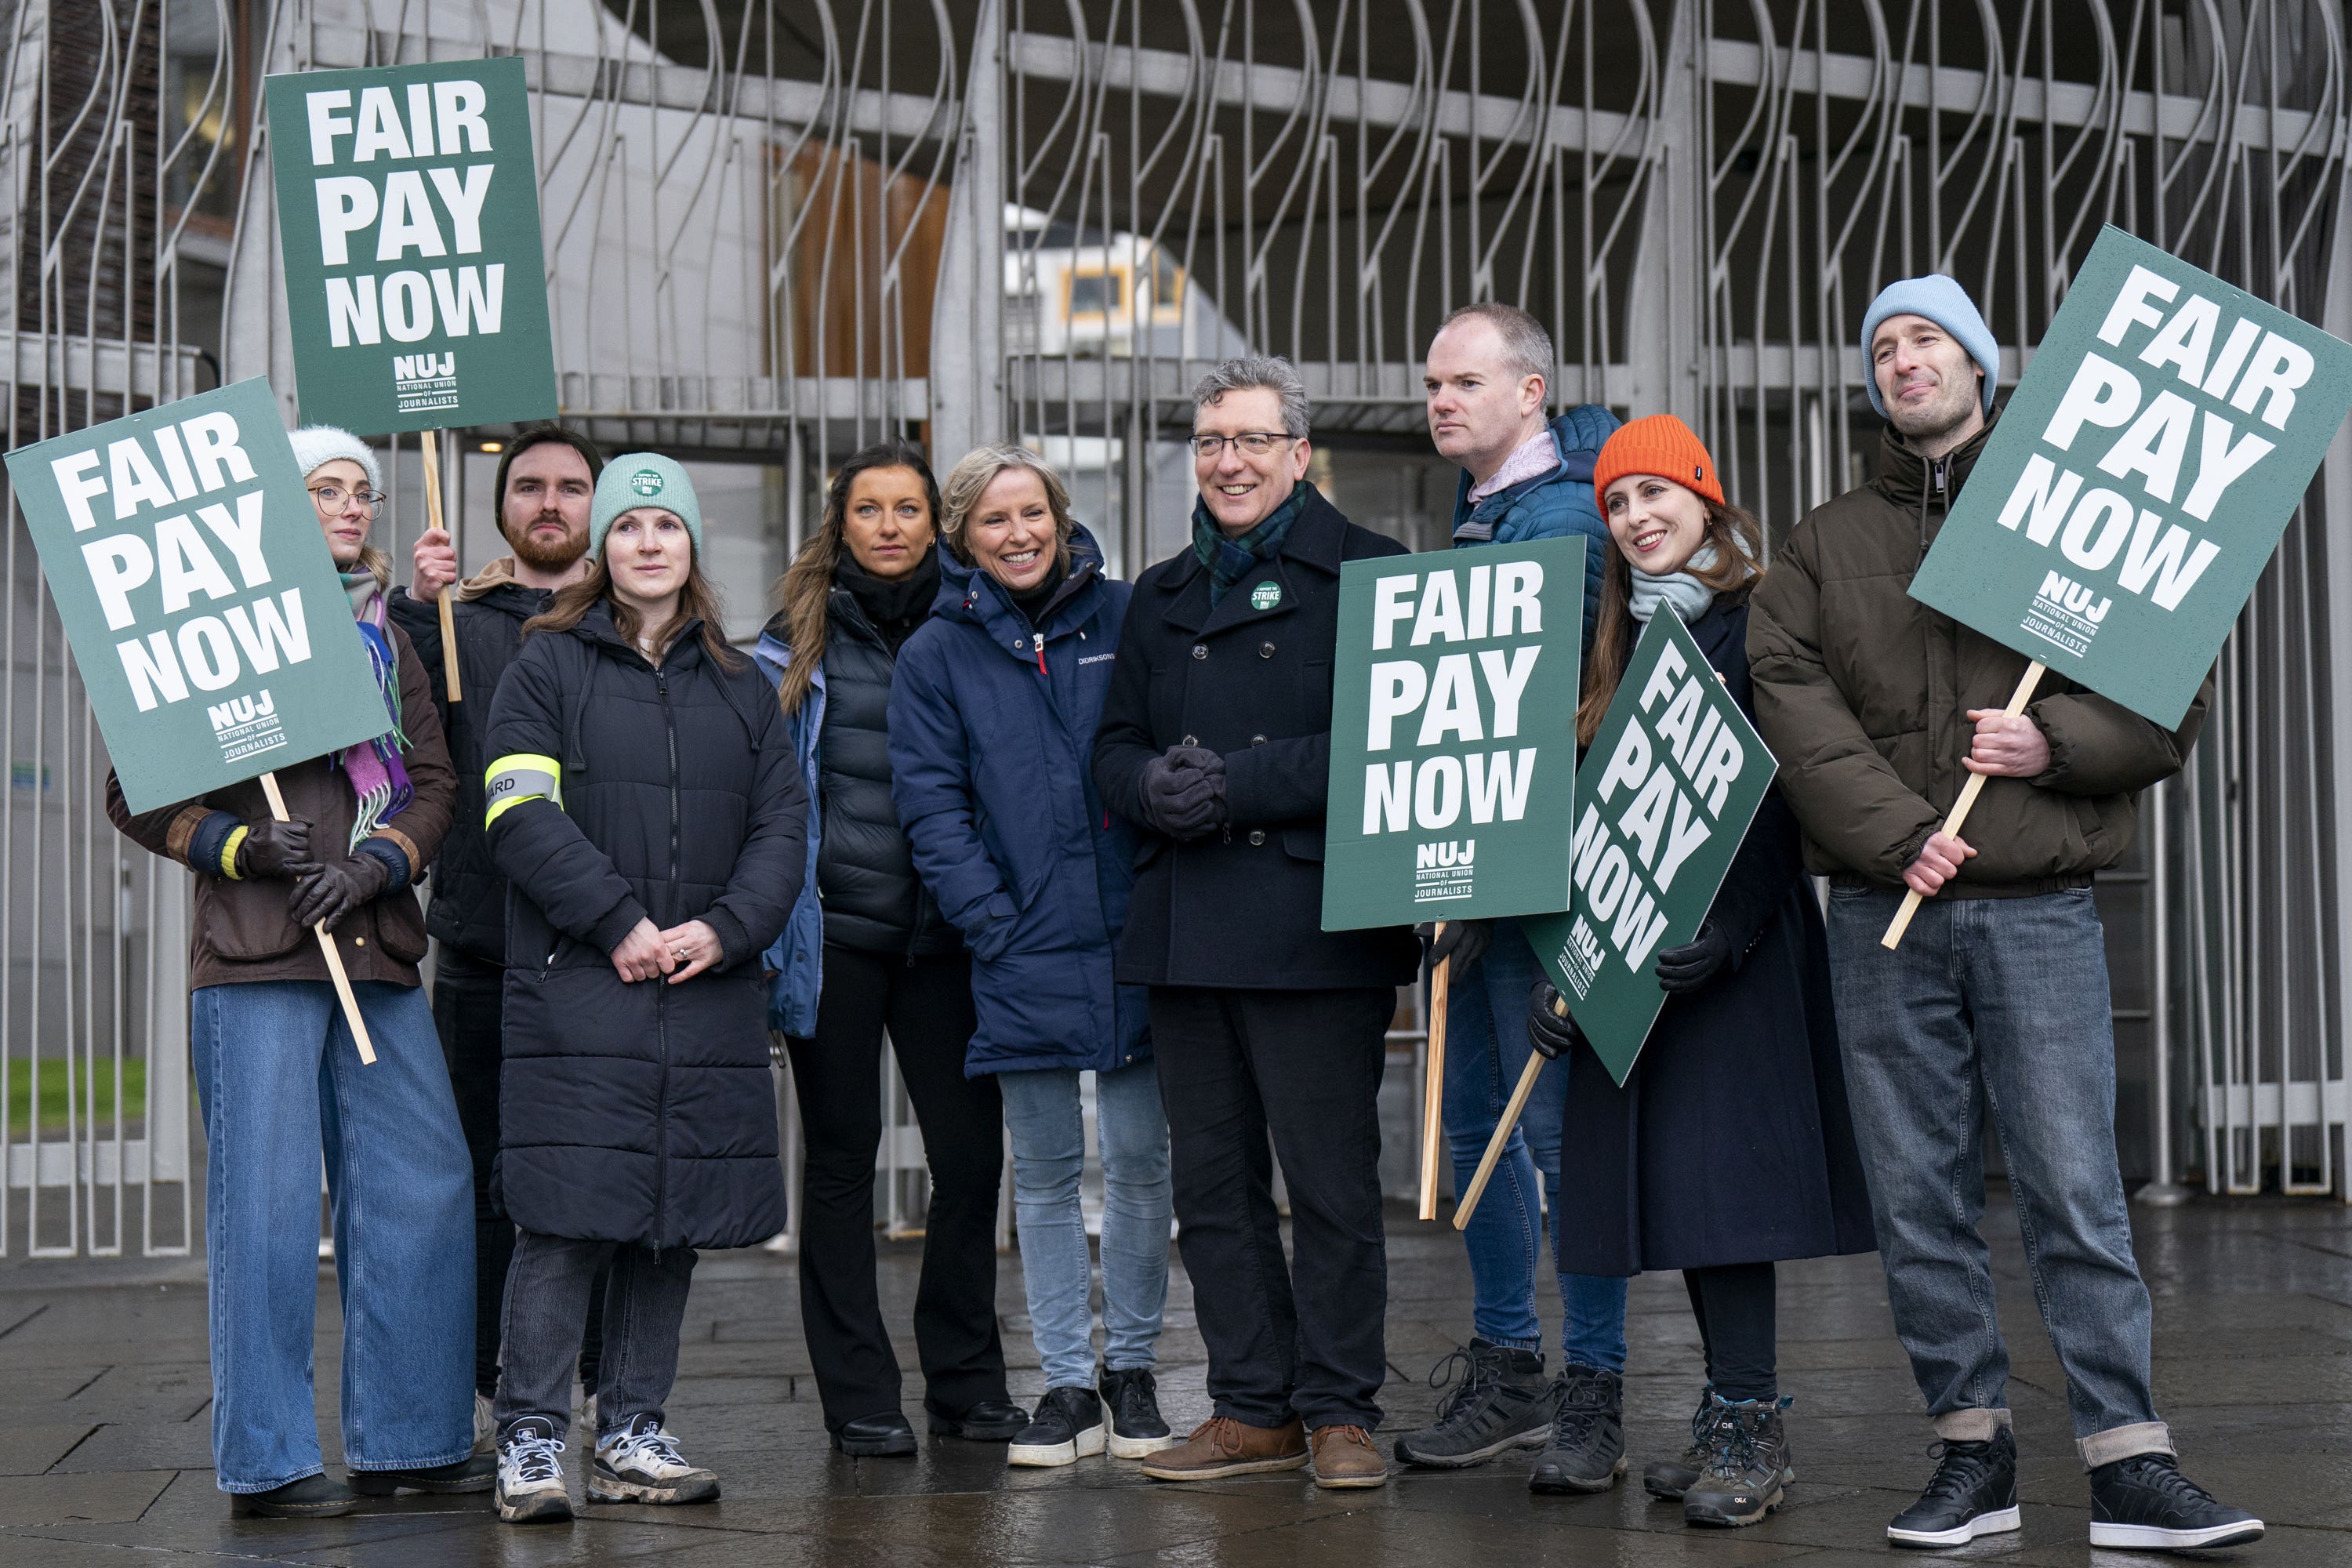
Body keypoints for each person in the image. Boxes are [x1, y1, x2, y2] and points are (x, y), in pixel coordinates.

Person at [1748, 276, 2260, 1552]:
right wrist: (1904, 834)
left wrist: (2052, 742)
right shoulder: (1819, 544)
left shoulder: (2084, 521)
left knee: (2075, 1189)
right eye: (1883, 346)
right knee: (1917, 1196)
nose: (1903, 359)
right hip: (1886, 912)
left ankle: (2131, 1463)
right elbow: (1790, 705)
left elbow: (2164, 693)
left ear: (1981, 363)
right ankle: (1971, 1452)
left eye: (1927, 338)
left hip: (2037, 908)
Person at [105, 426, 481, 1517]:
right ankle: (266, 1463)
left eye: (363, 492)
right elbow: (136, 791)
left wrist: (374, 866)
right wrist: (242, 846)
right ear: (276, 504)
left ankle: (411, 1438)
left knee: (423, 1186)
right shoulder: (200, 631)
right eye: (328, 489)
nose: (355, 508)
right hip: (257, 958)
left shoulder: (387, 639)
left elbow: (436, 783)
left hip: (377, 955)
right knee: (265, 1213)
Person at [1522, 415, 1876, 1523]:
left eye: (1655, 497)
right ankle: (1726, 1410)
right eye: (1617, 505)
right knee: (1678, 1194)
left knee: (1730, 1203)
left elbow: (1785, 786)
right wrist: (1570, 969)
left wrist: (1732, 927)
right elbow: (1600, 822)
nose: (1634, 521)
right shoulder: (1617, 639)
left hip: (1736, 961)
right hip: (1637, 963)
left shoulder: (1755, 616)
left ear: (1707, 503)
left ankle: (1752, 1431)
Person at [1094, 355, 1419, 1490]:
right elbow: (1113, 748)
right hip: (1188, 928)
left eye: (1250, 440)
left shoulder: (1373, 574)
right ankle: (1250, 1405)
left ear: (1297, 452)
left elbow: (1391, 743)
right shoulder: (1161, 590)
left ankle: (1339, 1411)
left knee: (1331, 1185)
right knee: (1212, 1188)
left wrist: (1239, 781)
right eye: (1210, 442)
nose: (1228, 462)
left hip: (1316, 923)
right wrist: (1150, 791)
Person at [481, 454, 804, 1523]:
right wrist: (617, 922)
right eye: (629, 526)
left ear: (694, 548)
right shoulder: (545, 668)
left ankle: (630, 1430)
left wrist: (723, 929)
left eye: (668, 525)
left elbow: (783, 829)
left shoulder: (744, 685)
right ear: (601, 547)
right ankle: (531, 1437)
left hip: (703, 989)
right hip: (585, 983)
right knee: (566, 1217)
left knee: (671, 1214)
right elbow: (518, 815)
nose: (649, 543)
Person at [888, 445, 1176, 1468]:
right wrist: (992, 922)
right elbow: (930, 805)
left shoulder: (1130, 615)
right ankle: (1066, 1387)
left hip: (1137, 936)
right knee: (1047, 1173)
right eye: (994, 521)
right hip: (1021, 947)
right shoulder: (937, 654)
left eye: (1033, 513)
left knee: (1144, 1164)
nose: (1018, 535)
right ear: (965, 539)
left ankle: (1132, 1371)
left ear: (1060, 516)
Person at [1393, 302, 1630, 1475]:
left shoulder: (1575, 517)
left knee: (1558, 1131)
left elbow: (1557, 712)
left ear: (1531, 390)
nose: (1441, 397)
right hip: (1474, 877)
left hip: (1546, 884)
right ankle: (1509, 1367)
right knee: (1471, 1124)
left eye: (1466, 380)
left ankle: (1592, 1385)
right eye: (1433, 381)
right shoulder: (1484, 510)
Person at [754, 441, 1025, 1456]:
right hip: (836, 943)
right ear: (842, 523)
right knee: (839, 1165)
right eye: (870, 509)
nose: (891, 526)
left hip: (950, 943)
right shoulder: (790, 647)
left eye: (909, 508)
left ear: (934, 524)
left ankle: (965, 1381)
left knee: (967, 1164)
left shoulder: (980, 628)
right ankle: (859, 1393)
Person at [390, 424, 607, 1446]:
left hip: (603, 945)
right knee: (485, 1180)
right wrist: (406, 606)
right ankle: (489, 1392)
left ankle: (607, 1386)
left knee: (599, 1172)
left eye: (570, 487)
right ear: (499, 505)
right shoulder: (448, 616)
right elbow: (389, 724)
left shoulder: (630, 614)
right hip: (481, 943)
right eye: (530, 488)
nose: (550, 503)